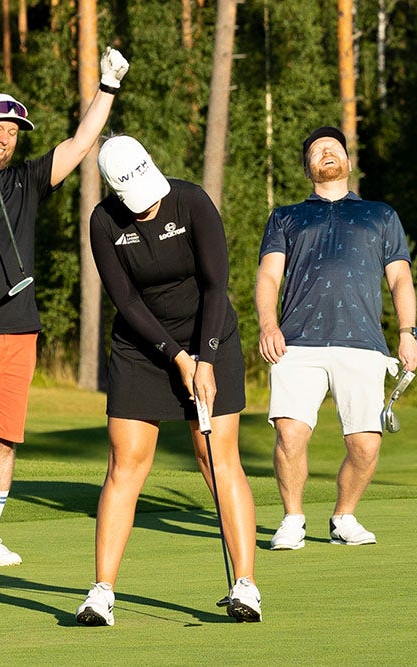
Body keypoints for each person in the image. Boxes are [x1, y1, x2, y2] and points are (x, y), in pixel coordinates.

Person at [0, 47, 129, 571]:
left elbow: (80, 144)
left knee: (4, 440)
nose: (5, 138)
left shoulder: (26, 181)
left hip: (19, 331)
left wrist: (108, 87)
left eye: (13, 132)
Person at [75, 135, 261, 626]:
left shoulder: (190, 200)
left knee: (216, 457)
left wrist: (205, 357)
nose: (148, 206)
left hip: (210, 335)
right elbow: (127, 302)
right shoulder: (103, 222)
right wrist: (177, 358)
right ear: (115, 191)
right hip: (142, 347)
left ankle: (245, 586)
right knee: (126, 461)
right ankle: (102, 592)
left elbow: (216, 284)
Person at [254, 125, 417, 550]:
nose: (327, 152)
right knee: (291, 435)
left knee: (364, 446)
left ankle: (343, 517)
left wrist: (407, 333)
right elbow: (269, 276)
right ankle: (293, 518)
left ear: (348, 161)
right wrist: (268, 325)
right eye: (317, 150)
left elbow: (400, 277)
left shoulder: (380, 215)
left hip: (363, 342)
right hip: (296, 342)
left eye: (334, 148)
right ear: (308, 167)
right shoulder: (287, 216)